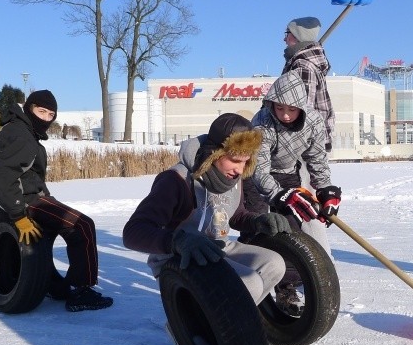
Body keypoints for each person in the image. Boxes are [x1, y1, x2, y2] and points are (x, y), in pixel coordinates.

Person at [122, 113, 290, 311]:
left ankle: (235, 322)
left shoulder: (231, 178)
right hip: (180, 258)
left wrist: (257, 221)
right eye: (235, 160)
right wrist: (178, 241)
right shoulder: (176, 180)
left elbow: (233, 214)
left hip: (218, 248)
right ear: (215, 153)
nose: (240, 170)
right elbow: (133, 231)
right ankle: (193, 329)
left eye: (245, 161)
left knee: (274, 264)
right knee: (249, 282)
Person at [0, 90, 113, 312]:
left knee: (47, 231)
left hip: (18, 197)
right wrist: (18, 215)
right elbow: (3, 177)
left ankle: (49, 282)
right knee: (82, 226)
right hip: (24, 200)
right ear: (29, 108)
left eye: (51, 114)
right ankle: (82, 291)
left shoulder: (18, 129)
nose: (46, 118)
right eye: (41, 111)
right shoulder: (22, 136)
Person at [243, 70, 342, 313]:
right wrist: (277, 195)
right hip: (256, 175)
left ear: (301, 107)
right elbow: (259, 169)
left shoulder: (314, 122)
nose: (285, 115)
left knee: (291, 228)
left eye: (291, 109)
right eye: (279, 108)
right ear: (272, 104)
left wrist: (325, 189)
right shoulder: (262, 122)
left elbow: (316, 159)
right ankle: (245, 279)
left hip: (289, 174)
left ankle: (286, 288)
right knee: (256, 222)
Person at [282, 17, 334, 152]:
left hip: (304, 141)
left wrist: (290, 140)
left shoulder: (303, 66)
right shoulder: (303, 62)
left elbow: (304, 108)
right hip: (310, 139)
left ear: (297, 35)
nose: (284, 39)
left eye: (286, 33)